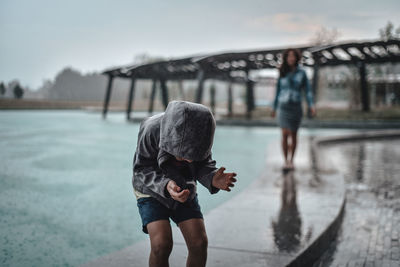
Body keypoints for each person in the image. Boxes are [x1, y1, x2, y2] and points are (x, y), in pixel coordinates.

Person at [132, 100, 237, 267]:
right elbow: (142, 169)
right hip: (150, 189)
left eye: (194, 154)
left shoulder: (201, 131)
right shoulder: (151, 130)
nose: (189, 159)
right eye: (184, 153)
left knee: (199, 243)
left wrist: (212, 178)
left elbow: (203, 165)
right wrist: (166, 185)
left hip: (184, 187)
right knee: (161, 245)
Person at [271, 49, 316, 170]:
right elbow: (278, 91)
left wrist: (311, 105)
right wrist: (274, 107)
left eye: (293, 56)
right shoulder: (282, 72)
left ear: (297, 58)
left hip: (296, 106)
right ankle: (285, 161)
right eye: (289, 56)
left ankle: (292, 160)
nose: (291, 58)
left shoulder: (302, 73)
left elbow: (307, 91)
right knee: (285, 134)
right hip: (283, 106)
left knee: (294, 134)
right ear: (285, 58)